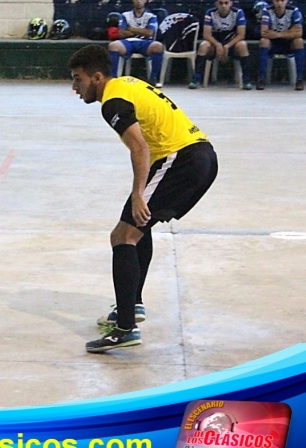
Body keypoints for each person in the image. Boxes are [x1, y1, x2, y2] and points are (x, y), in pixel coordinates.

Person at [67, 45, 218, 353]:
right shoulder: (127, 84)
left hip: (182, 160)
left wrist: (138, 194)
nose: (74, 87)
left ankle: (125, 328)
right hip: (197, 155)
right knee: (139, 228)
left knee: (122, 236)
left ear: (96, 77)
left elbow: (140, 148)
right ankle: (132, 305)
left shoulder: (112, 101)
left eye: (77, 79)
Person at [189, 0, 253, 90]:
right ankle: (196, 79)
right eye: (221, 3)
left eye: (226, 3)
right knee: (203, 45)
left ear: (231, 3)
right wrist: (218, 45)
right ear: (216, 4)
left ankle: (247, 80)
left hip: (231, 44)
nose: (223, 6)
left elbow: (241, 35)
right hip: (215, 44)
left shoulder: (238, 13)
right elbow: (206, 34)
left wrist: (227, 46)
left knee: (242, 45)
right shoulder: (210, 13)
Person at [108, 0, 164, 87]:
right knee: (113, 46)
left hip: (145, 43)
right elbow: (121, 33)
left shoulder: (151, 16)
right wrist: (141, 31)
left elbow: (150, 33)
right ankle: (113, 79)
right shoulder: (125, 15)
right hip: (128, 42)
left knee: (158, 46)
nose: (139, 1)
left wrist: (130, 29)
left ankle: (153, 78)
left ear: (146, 0)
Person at [256, 0, 304, 90]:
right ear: (273, 1)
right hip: (273, 44)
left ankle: (299, 79)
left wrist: (277, 34)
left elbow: (299, 33)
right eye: (277, 0)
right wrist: (289, 32)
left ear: (287, 1)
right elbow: (264, 32)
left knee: (299, 41)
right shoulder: (267, 11)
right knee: (264, 41)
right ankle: (261, 79)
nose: (279, 3)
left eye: (282, 0)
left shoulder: (293, 11)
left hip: (288, 43)